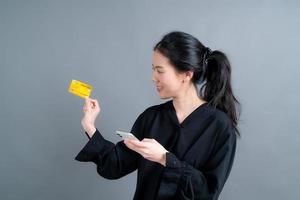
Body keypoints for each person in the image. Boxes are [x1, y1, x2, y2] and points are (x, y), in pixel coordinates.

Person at [75, 31, 241, 200]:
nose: (153, 78)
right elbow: (115, 166)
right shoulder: (151, 118)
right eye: (153, 69)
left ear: (186, 74)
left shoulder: (220, 126)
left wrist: (165, 159)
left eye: (160, 70)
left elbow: (208, 193)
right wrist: (89, 125)